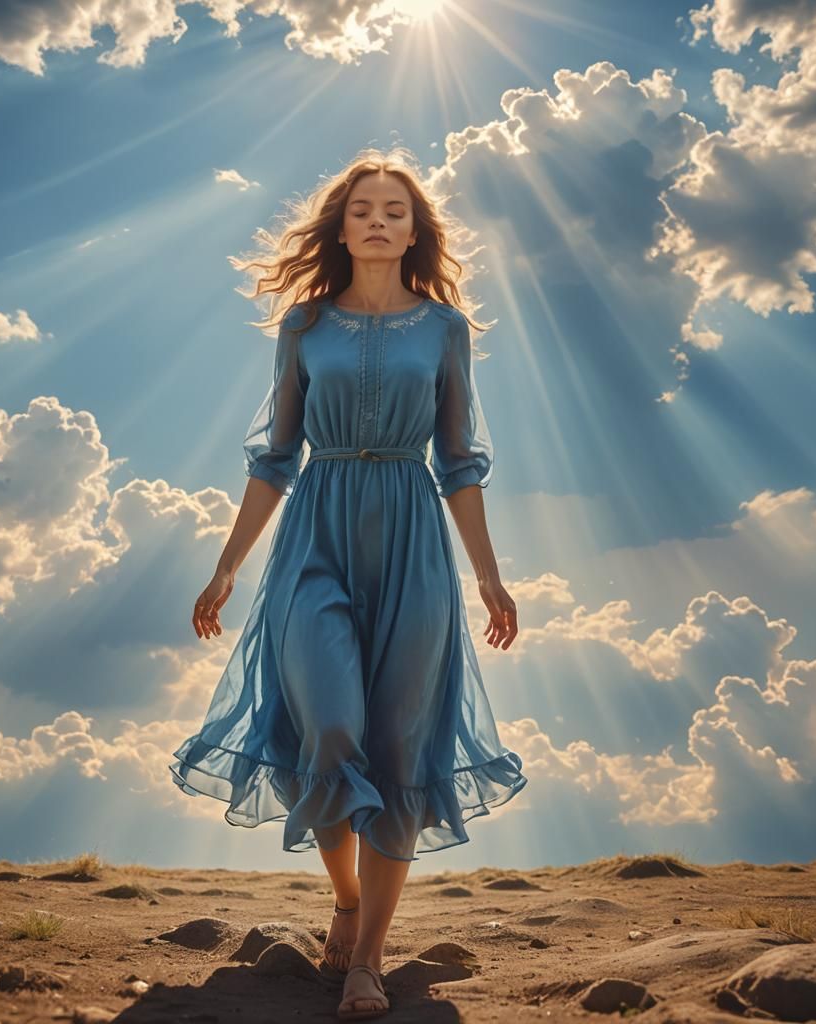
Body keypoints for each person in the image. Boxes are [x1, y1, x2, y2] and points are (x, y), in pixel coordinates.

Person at [168, 147, 528, 1020]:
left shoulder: (446, 329)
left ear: (415, 230)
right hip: (314, 539)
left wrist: (487, 575)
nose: (377, 219)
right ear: (340, 224)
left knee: (401, 751)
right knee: (328, 727)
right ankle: (347, 897)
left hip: (414, 543)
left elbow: (460, 461)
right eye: (362, 207)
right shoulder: (305, 324)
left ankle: (366, 959)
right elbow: (274, 458)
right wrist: (226, 565)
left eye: (395, 210)